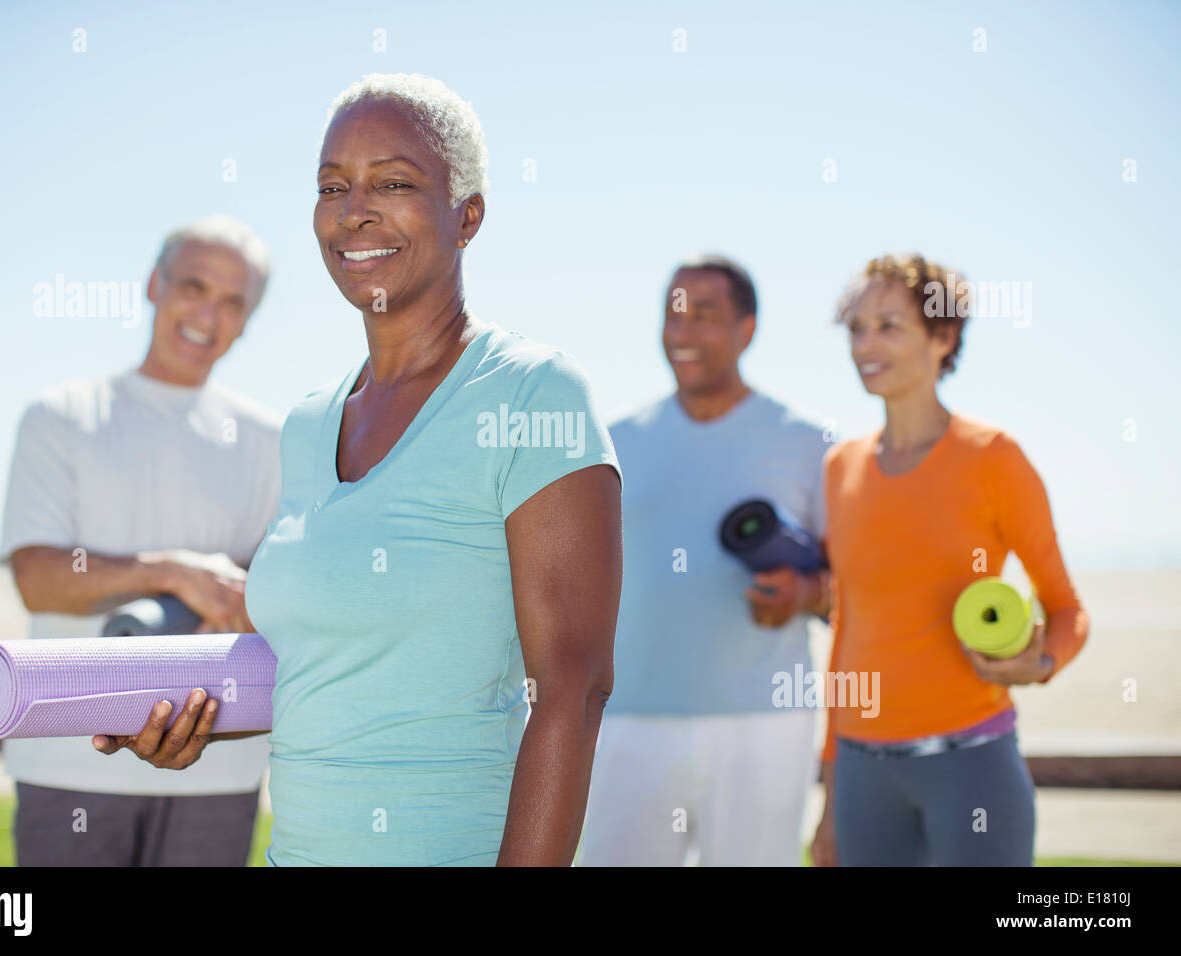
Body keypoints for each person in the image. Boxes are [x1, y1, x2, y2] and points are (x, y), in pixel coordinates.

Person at [94, 73, 623, 866]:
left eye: (395, 183)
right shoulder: (307, 425)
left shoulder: (533, 393)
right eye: (332, 186)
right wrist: (187, 718)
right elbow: (330, 669)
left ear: (467, 215)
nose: (354, 210)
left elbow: (574, 695)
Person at [1, 214, 281, 866]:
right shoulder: (61, 416)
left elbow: (275, 594)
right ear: (154, 284)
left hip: (220, 769)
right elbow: (38, 578)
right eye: (193, 287)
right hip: (70, 762)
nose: (208, 316)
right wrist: (170, 572)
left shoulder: (272, 439)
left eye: (232, 302)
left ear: (246, 322)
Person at [809, 253, 1090, 867]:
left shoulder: (993, 457)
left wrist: (1035, 664)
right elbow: (847, 630)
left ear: (944, 336)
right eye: (856, 328)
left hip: (971, 766)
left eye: (889, 325)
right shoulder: (840, 468)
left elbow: (1067, 609)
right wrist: (832, 793)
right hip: (862, 776)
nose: (865, 345)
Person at [579, 255, 830, 866]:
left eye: (706, 315)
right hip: (627, 724)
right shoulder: (612, 444)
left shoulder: (808, 443)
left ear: (747, 330)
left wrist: (805, 595)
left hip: (764, 727)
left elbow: (856, 586)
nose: (683, 331)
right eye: (673, 313)